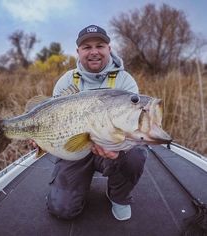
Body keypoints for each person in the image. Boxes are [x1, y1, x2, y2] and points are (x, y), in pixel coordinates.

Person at [46, 25, 148, 221]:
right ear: (78, 52)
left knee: (135, 154)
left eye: (100, 45)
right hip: (74, 149)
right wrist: (39, 139)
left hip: (112, 146)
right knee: (62, 210)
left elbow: (132, 126)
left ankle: (118, 196)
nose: (94, 52)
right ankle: (71, 189)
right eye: (87, 47)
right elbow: (53, 120)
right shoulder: (66, 81)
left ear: (109, 48)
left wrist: (118, 149)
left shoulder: (125, 82)